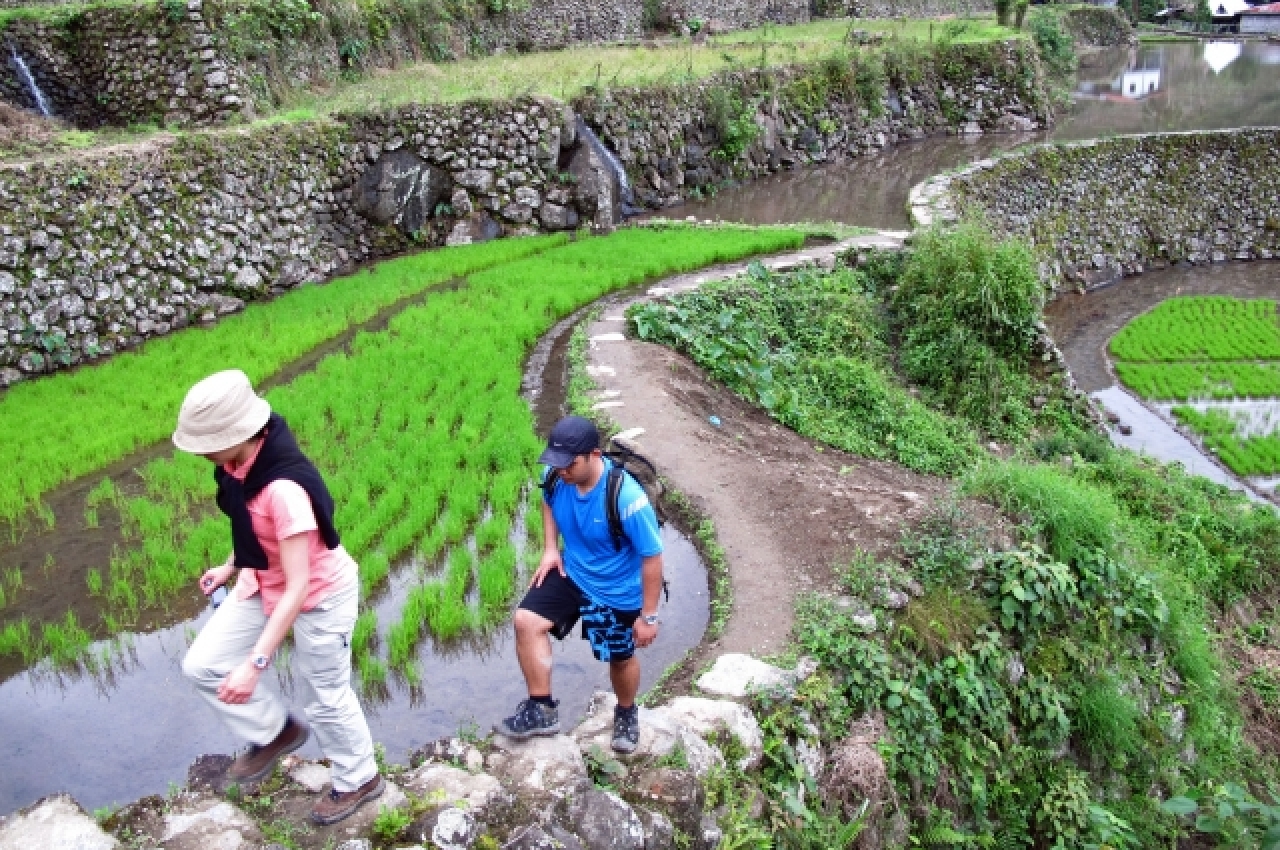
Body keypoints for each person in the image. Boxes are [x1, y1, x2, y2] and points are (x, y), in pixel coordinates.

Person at [175, 370, 383, 825]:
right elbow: (250, 523)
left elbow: (299, 585)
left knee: (326, 695)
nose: (202, 453)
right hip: (259, 579)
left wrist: (256, 664)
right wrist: (230, 564)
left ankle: (359, 778)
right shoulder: (235, 465)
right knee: (202, 664)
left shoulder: (284, 489)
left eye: (208, 441)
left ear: (239, 433)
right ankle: (276, 731)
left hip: (319, 595)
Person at [497, 416, 665, 753]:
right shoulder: (556, 478)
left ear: (592, 455)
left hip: (617, 588)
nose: (561, 471)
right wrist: (549, 549)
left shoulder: (627, 498)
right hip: (572, 571)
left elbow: (652, 557)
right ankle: (542, 708)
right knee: (526, 622)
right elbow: (546, 500)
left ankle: (627, 712)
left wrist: (648, 617)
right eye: (556, 463)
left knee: (619, 658)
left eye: (569, 463)